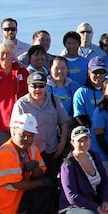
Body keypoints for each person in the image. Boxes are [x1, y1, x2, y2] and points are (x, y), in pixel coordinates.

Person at [11, 71, 71, 200]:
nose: (38, 89)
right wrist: (20, 152)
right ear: (28, 87)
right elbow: (14, 130)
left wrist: (62, 142)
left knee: (51, 182)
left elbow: (64, 122)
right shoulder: (21, 104)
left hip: (51, 149)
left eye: (41, 86)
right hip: (30, 152)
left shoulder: (54, 100)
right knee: (33, 185)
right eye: (34, 86)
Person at [0, 40, 30, 147]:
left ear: (13, 54)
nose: (5, 56)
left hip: (20, 124)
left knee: (20, 153)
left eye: (8, 53)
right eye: (2, 53)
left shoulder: (22, 72)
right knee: (5, 155)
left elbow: (30, 97)